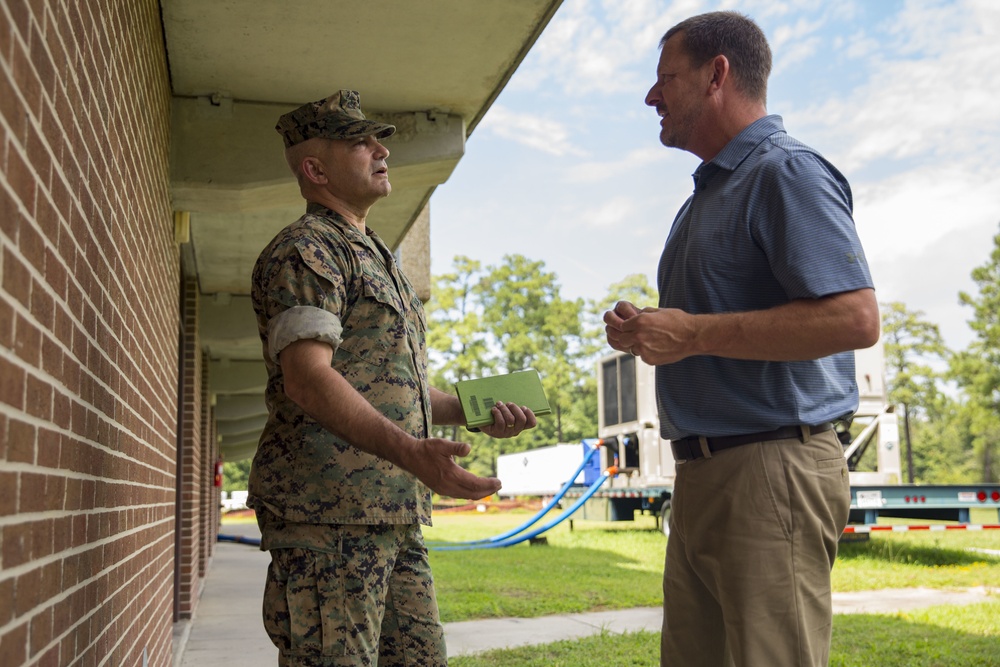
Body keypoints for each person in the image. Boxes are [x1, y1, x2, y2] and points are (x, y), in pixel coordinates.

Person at [603, 12, 879, 667]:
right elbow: (710, 332)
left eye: (665, 78)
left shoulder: (785, 172)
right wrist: (653, 333)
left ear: (717, 74)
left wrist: (692, 332)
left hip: (769, 469)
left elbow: (854, 318)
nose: (651, 96)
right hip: (702, 475)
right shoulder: (705, 198)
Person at [248, 90, 537, 667]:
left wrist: (479, 408)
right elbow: (307, 380)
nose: (381, 150)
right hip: (326, 514)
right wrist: (413, 453)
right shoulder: (306, 251)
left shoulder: (377, 255)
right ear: (315, 169)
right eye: (359, 142)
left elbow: (389, 388)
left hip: (390, 514)